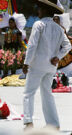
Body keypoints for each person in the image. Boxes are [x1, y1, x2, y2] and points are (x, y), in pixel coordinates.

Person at [22, 0, 71, 130]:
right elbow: (68, 45)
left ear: (44, 11)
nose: (38, 11)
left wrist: (26, 63)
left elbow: (32, 45)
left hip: (37, 65)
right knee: (47, 94)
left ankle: (28, 122)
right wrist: (58, 57)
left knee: (28, 93)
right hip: (50, 67)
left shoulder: (38, 24)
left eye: (39, 9)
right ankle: (53, 124)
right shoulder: (58, 27)